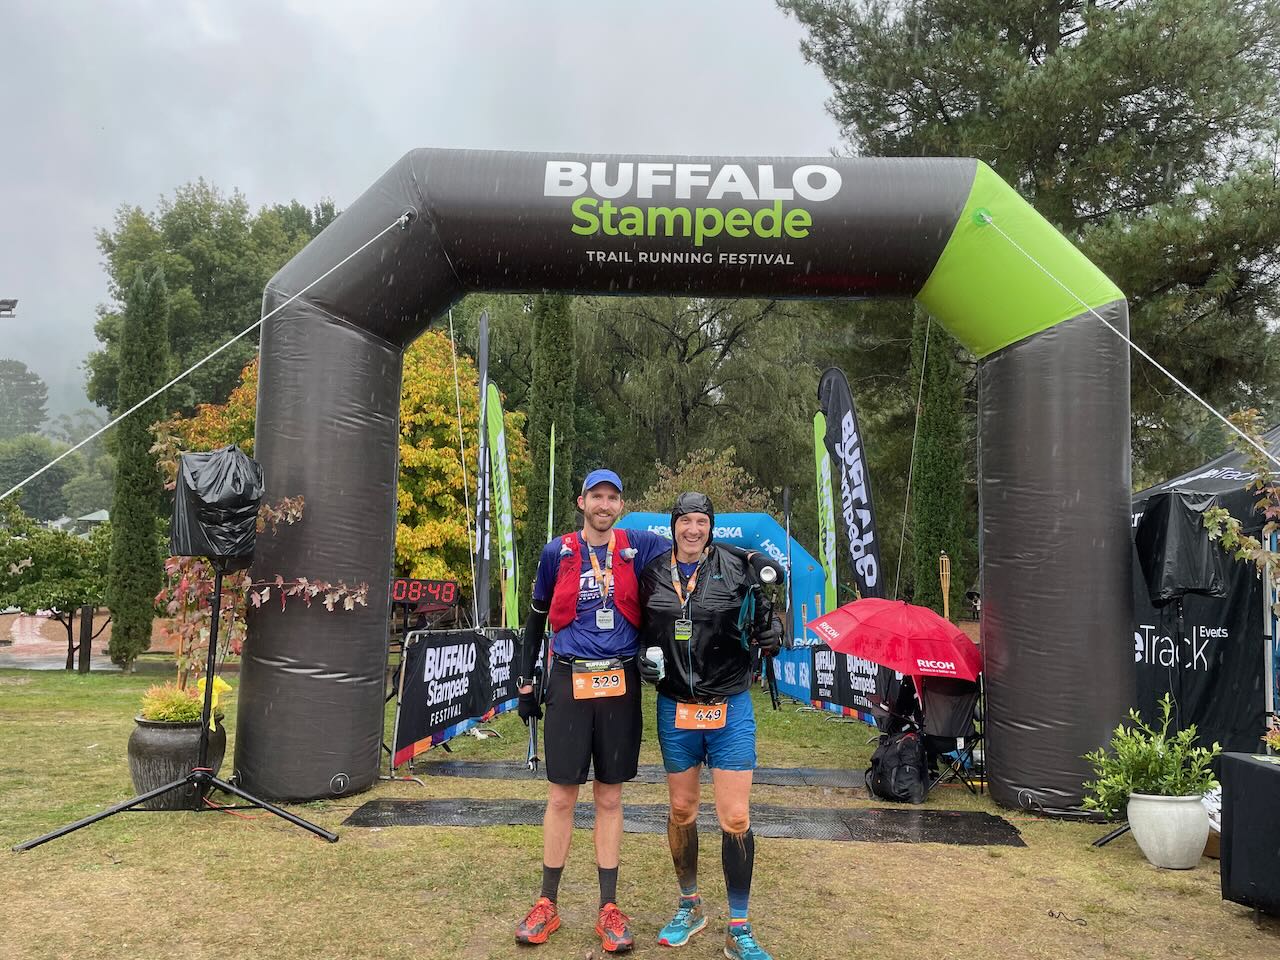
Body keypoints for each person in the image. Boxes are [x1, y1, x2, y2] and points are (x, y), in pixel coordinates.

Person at [513, 468, 671, 953]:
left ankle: (608, 907)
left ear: (620, 504)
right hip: (569, 675)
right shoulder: (555, 552)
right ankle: (547, 904)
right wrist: (525, 680)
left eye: (613, 497)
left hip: (620, 679)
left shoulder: (637, 545)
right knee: (562, 796)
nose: (604, 505)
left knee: (610, 797)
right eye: (596, 496)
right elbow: (535, 617)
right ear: (581, 502)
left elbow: (691, 550)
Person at [636, 492, 783, 960]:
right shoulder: (654, 572)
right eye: (685, 521)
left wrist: (773, 633)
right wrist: (642, 660)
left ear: (710, 526)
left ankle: (738, 927)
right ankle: (690, 906)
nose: (693, 530)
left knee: (735, 817)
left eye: (701, 521)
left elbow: (766, 619)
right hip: (675, 708)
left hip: (729, 706)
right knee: (681, 810)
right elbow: (642, 634)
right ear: (673, 525)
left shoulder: (738, 567)